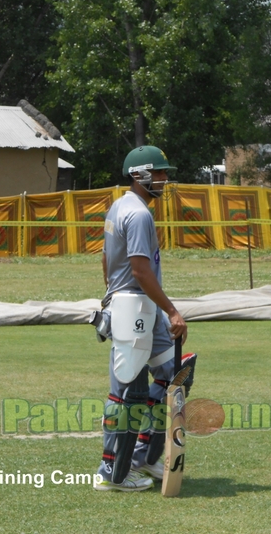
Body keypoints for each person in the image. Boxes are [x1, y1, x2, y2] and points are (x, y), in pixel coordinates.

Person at [93, 145, 188, 492]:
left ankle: (146, 458)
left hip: (138, 307)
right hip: (135, 308)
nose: (164, 179)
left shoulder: (120, 207)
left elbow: (105, 259)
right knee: (125, 393)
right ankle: (112, 474)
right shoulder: (138, 214)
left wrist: (111, 291)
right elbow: (140, 270)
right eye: (158, 173)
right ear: (139, 175)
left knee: (175, 376)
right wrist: (172, 311)